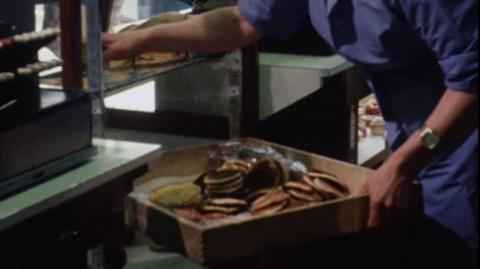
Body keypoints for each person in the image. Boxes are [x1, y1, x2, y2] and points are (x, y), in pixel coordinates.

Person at [102, 0, 478, 267]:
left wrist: (403, 165)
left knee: (450, 245)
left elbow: (471, 84)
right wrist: (136, 41)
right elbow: (243, 22)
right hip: (411, 134)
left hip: (458, 135)